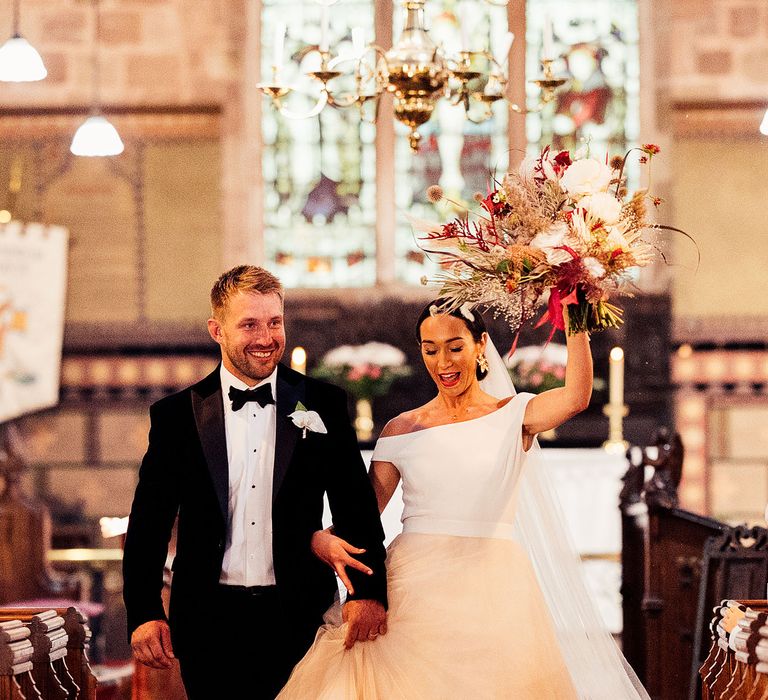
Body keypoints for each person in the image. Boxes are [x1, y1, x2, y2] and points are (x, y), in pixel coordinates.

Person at [278, 299, 649, 699]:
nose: (443, 362)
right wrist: (319, 537)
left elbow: (576, 396)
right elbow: (364, 515)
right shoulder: (400, 429)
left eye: (455, 347)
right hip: (412, 587)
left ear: (480, 344)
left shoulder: (515, 414)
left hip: (491, 586)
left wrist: (575, 311)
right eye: (430, 349)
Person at [122, 265, 388, 700]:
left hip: (299, 616)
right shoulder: (175, 417)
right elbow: (148, 524)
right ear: (217, 330)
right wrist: (145, 612)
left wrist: (368, 592)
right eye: (249, 324)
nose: (266, 338)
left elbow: (355, 508)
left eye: (274, 322)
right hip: (207, 620)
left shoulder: (323, 403)